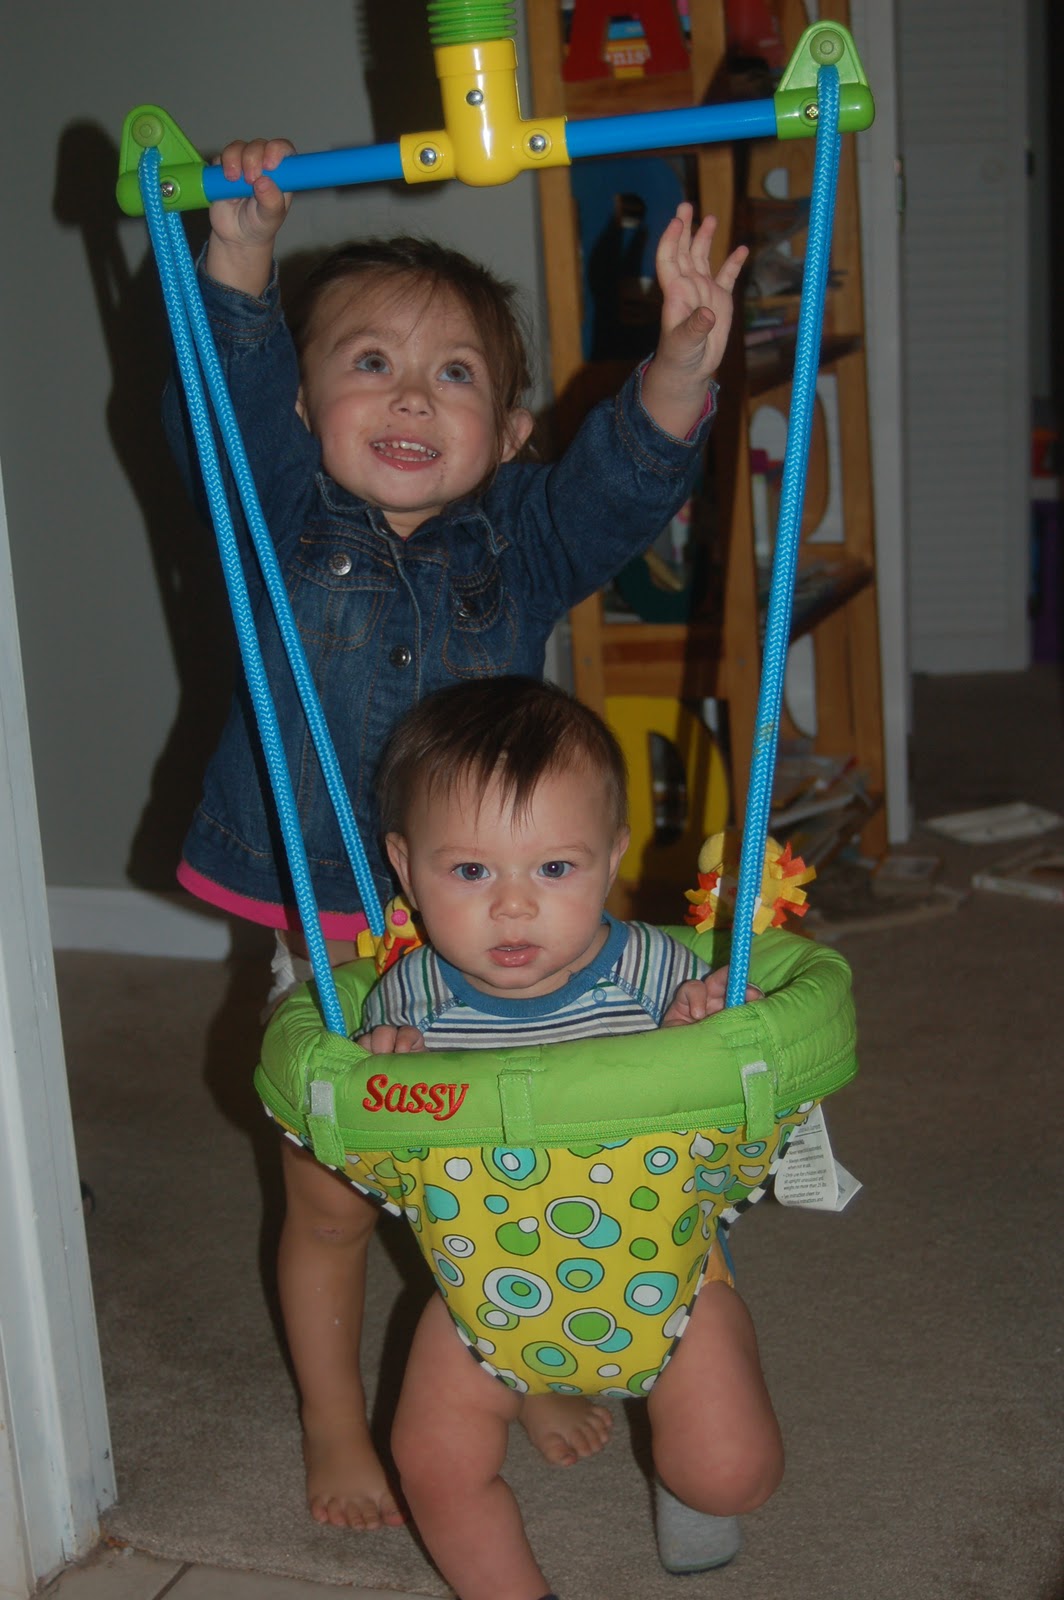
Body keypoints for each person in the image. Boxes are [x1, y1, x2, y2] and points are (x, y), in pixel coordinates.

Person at [162, 134, 748, 1533]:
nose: (412, 392)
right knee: (338, 1200)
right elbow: (224, 407)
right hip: (338, 917)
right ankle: (329, 1410)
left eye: (456, 374)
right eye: (368, 363)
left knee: (514, 1165)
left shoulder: (525, 537)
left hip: (506, 916)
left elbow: (629, 478)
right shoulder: (280, 519)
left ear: (512, 423)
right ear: (307, 404)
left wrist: (679, 355)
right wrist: (237, 256)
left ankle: (513, 1349)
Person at [355, 676, 780, 1600]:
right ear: (403, 864)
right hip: (483, 1279)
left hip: (662, 1265)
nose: (513, 908)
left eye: (555, 869)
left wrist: (708, 1022)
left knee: (730, 1470)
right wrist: (382, 1070)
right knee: (428, 1459)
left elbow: (732, 1081)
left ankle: (687, 1475)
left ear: (614, 856)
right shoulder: (411, 1000)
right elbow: (375, 1143)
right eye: (470, 872)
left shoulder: (654, 973)